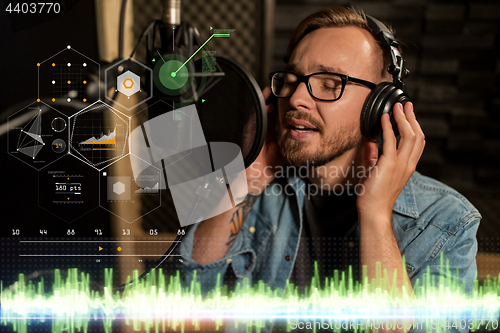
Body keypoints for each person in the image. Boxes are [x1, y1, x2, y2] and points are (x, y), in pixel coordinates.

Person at [177, 5, 481, 332]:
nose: (295, 99)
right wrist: (248, 180)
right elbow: (192, 300)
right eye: (292, 79)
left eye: (328, 83)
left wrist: (376, 214)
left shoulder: (446, 221)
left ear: (380, 105)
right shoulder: (259, 190)